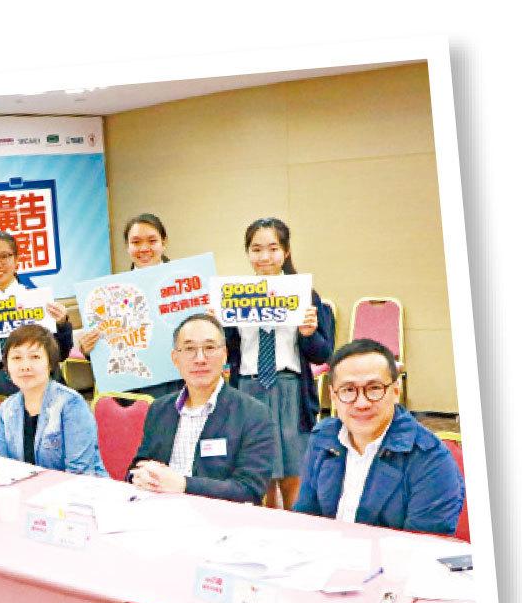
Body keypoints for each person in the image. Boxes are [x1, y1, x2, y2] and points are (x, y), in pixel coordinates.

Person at [294, 339, 465, 534]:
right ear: (333, 396)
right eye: (348, 390)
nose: (361, 403)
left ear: (396, 391)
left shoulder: (431, 461)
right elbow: (305, 522)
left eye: (374, 388)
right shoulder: (323, 438)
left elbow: (420, 548)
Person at [226, 217, 334, 509]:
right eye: (256, 249)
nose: (265, 256)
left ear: (286, 252)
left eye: (273, 248)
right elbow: (227, 350)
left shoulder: (305, 294)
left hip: (290, 390)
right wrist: (217, 323)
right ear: (247, 253)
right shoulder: (234, 295)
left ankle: (296, 526)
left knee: (293, 471)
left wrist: (309, 334)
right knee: (257, 470)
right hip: (248, 388)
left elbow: (324, 353)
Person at [128, 313, 277, 503]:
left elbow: (249, 490)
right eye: (189, 349)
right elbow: (138, 466)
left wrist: (184, 485)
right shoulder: (159, 409)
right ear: (175, 358)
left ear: (224, 354)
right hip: (159, 511)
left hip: (217, 517)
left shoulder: (253, 414)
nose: (200, 359)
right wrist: (137, 476)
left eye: (209, 348)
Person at [0, 231, 74, 395]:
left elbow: (60, 354)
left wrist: (62, 324)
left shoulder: (38, 299)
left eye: (4, 256)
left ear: (16, 259)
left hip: (41, 384)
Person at [78, 214, 183, 401]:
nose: (144, 248)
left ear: (164, 242)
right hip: (130, 389)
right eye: (136, 242)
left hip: (178, 383)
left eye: (152, 241)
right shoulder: (111, 294)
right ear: (127, 246)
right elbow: (105, 348)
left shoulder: (184, 284)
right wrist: (89, 349)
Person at [0, 324, 107, 476]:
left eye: (35, 357)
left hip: (80, 488)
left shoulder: (71, 403)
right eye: (16, 358)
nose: (25, 366)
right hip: (28, 489)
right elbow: (6, 467)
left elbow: (80, 473)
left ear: (50, 363)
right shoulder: (6, 408)